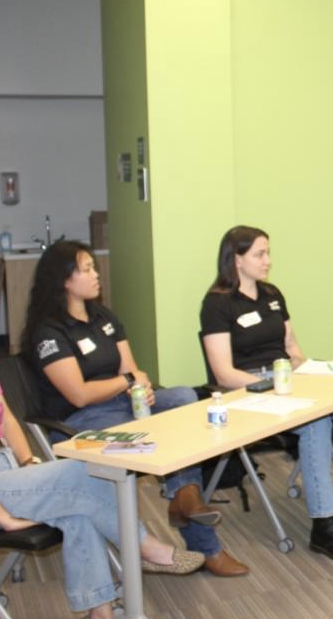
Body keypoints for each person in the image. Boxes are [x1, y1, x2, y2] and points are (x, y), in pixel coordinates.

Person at [0, 277, 202, 619]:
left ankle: (99, 618)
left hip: (1, 468)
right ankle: (144, 547)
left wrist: (28, 460)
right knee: (79, 473)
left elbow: (6, 418)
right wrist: (4, 519)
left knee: (78, 509)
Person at [24, 241, 248, 577]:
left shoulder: (104, 318)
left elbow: (132, 369)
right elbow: (79, 395)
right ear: (63, 280)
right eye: (86, 269)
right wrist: (129, 381)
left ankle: (184, 497)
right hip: (80, 422)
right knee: (160, 433)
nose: (95, 274)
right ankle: (206, 544)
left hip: (122, 404)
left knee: (186, 398)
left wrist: (139, 385)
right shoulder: (50, 332)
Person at [200, 225, 333, 563]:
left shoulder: (272, 294)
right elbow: (224, 373)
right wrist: (272, 386)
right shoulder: (217, 305)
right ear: (236, 259)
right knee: (314, 423)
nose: (268, 260)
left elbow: (292, 348)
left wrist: (301, 369)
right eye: (260, 253)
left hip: (287, 380)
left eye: (268, 252)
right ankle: (324, 524)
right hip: (248, 391)